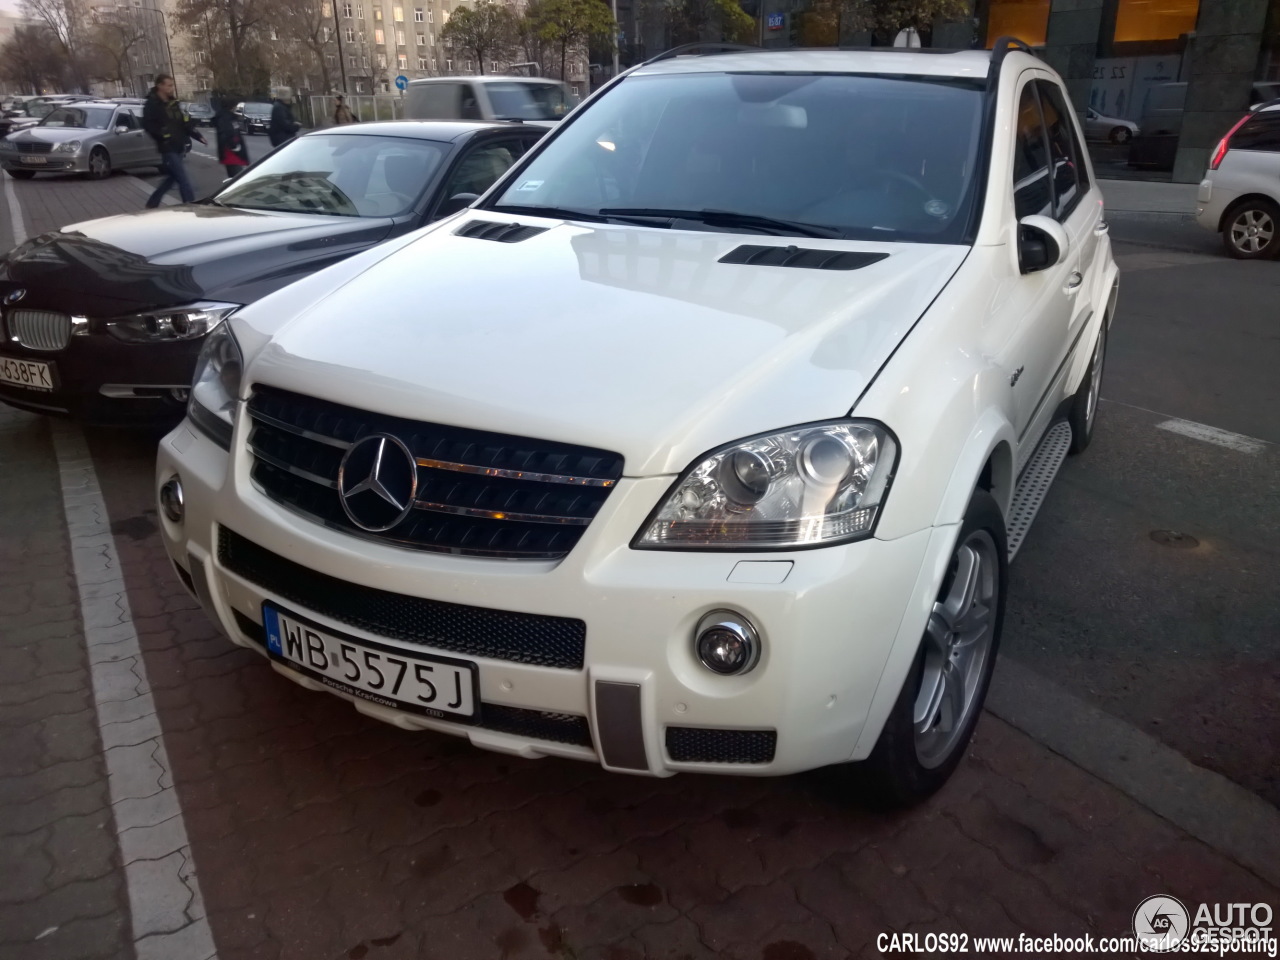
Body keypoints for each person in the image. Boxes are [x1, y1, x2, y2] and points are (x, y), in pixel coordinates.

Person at [143, 74, 206, 208]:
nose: (172, 88)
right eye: (169, 85)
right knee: (183, 179)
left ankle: (152, 203)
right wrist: (163, 135)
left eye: (172, 85)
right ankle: (191, 207)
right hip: (167, 147)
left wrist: (197, 135)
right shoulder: (152, 104)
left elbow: (184, 123)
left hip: (179, 146)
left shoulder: (174, 103)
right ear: (160, 86)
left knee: (172, 178)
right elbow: (148, 125)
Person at [213, 96, 250, 179]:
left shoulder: (229, 116)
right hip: (231, 153)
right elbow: (226, 133)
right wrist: (234, 146)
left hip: (232, 152)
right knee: (237, 178)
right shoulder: (225, 118)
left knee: (235, 176)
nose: (236, 107)